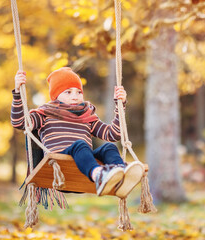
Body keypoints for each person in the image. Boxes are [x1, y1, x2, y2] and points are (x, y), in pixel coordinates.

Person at [11, 67, 143, 198]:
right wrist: (18, 92)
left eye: (79, 92)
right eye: (68, 92)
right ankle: (99, 175)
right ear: (56, 96)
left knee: (109, 147)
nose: (75, 96)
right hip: (60, 164)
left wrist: (120, 106)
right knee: (80, 145)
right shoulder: (45, 114)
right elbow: (20, 122)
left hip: (83, 164)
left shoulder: (87, 116)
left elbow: (113, 134)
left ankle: (121, 175)